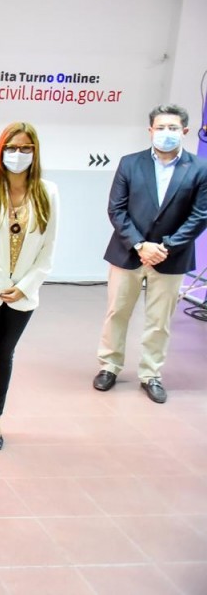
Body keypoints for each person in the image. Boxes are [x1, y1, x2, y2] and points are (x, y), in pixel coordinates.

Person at [94, 104, 207, 404]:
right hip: (127, 253)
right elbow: (116, 209)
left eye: (173, 128)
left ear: (184, 131)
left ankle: (151, 374)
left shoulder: (200, 168)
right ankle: (109, 366)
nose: (166, 133)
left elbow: (199, 215)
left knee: (160, 321)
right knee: (117, 312)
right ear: (150, 131)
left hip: (172, 257)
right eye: (161, 128)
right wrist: (140, 244)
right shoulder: (130, 163)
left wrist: (166, 247)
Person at [0, 122, 58, 450]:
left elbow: (48, 247)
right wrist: (1, 284)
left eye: (26, 148)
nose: (18, 154)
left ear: (35, 152)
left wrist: (24, 286)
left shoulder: (48, 192)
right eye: (12, 148)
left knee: (5, 354)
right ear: (1, 151)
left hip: (23, 294)